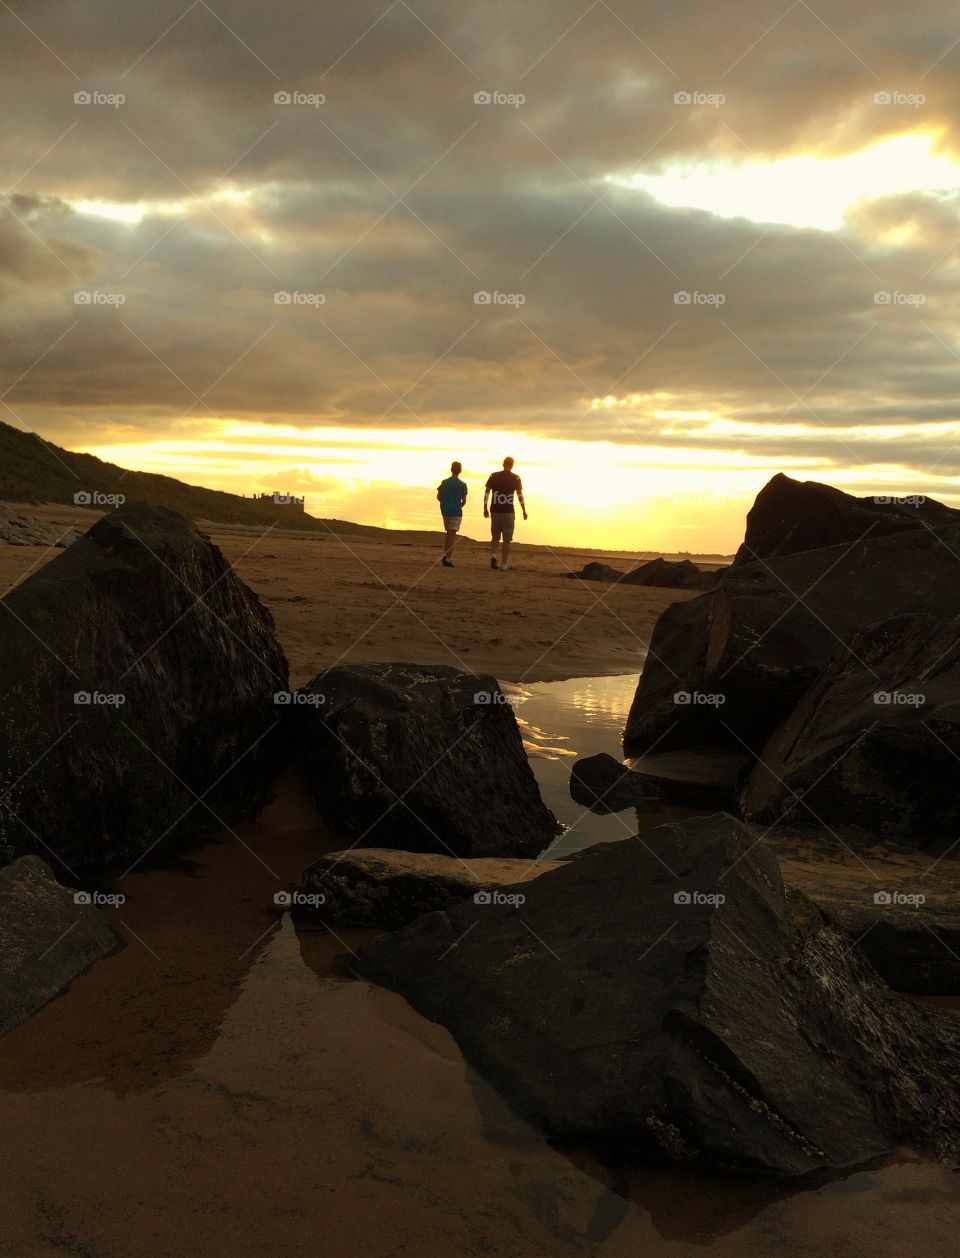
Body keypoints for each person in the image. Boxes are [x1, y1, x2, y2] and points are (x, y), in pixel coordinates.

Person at [484, 456, 527, 571]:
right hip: (508, 511)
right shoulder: (516, 478)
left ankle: (493, 556)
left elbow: (487, 492)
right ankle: (503, 564)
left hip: (495, 509)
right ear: (512, 465)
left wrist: (485, 507)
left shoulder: (494, 476)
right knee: (507, 539)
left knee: (495, 536)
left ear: (503, 464)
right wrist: (524, 510)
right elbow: (519, 495)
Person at [436, 460, 468, 567]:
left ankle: (446, 555)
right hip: (456, 511)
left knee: (448, 533)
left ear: (451, 469)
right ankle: (448, 558)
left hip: (445, 510)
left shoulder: (444, 482)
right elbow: (464, 501)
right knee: (452, 534)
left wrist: (445, 503)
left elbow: (439, 497)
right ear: (460, 471)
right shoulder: (462, 485)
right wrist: (458, 505)